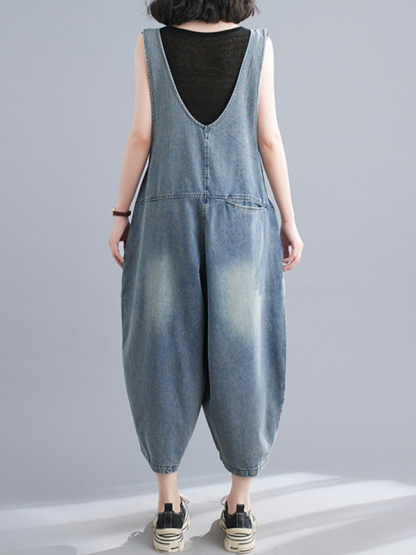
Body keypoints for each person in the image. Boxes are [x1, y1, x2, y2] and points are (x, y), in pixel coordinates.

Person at [108, 1, 304, 552]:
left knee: (160, 351)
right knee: (245, 353)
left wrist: (121, 213)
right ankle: (239, 509)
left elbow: (141, 136)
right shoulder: (258, 47)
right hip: (242, 220)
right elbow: (269, 138)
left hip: (165, 219)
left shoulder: (151, 46)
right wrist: (289, 220)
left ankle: (169, 509)